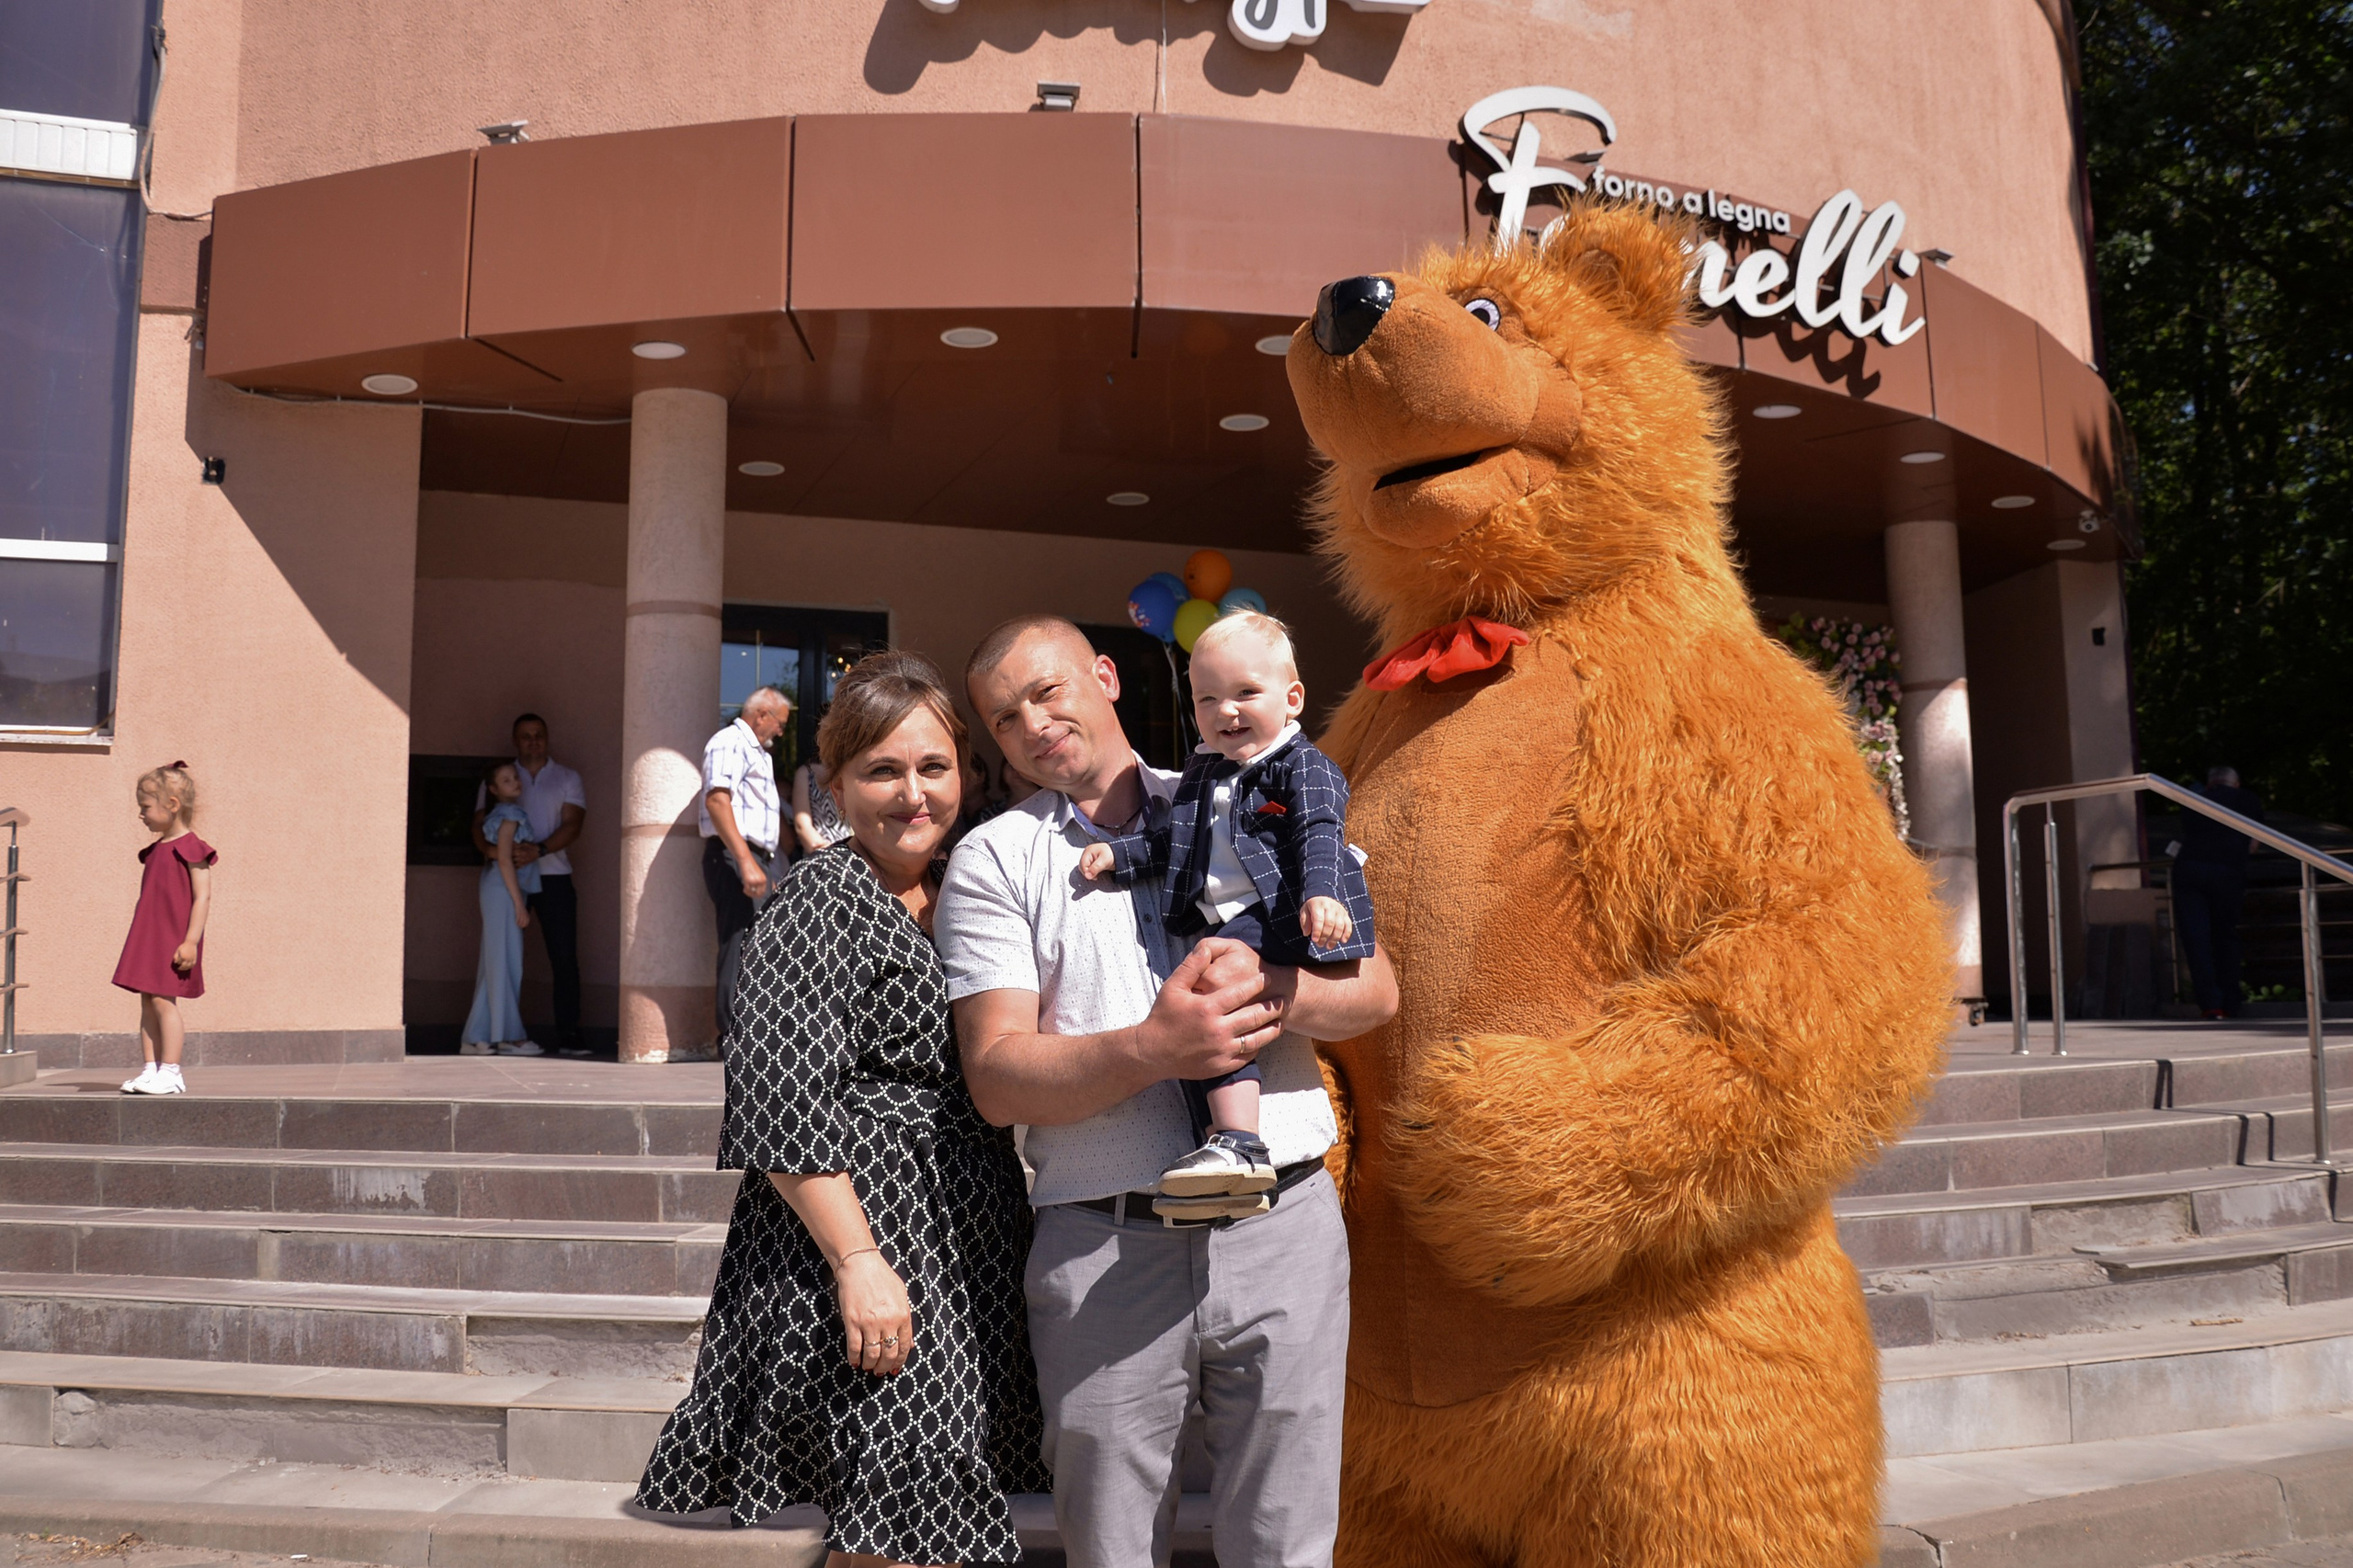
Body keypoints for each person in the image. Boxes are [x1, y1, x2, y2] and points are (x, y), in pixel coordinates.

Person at [938, 615, 1397, 1568]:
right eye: (1004, 716)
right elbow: (994, 1075)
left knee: (1287, 1542)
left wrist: (1273, 991)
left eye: (1048, 691)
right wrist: (1155, 1046)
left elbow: (1377, 990)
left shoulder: (1254, 781)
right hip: (1105, 1246)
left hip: (1284, 1224)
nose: (1031, 723)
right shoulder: (995, 858)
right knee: (1110, 1545)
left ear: (1104, 677)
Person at [637, 651, 1049, 1564]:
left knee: (939, 1491)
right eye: (882, 770)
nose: (913, 793)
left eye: (933, 766)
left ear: (967, 773)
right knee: (900, 1498)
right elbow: (780, 1096)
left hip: (969, 1229)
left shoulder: (973, 883)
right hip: (862, 1228)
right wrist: (858, 1262)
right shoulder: (817, 900)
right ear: (835, 784)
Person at [1078, 609, 1376, 1213]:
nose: (1226, 712)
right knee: (1196, 1027)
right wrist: (1120, 854)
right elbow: (1174, 845)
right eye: (1207, 699)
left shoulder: (1303, 766)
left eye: (1246, 693)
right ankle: (1227, 1158)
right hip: (1228, 919)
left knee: (1212, 996)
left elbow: (1318, 833)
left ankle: (1241, 1143)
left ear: (1292, 698)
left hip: (1282, 912)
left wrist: (1322, 894)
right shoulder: (1205, 770)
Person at [471, 713, 588, 1055]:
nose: (533, 740)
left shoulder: (567, 777)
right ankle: (501, 1033)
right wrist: (496, 853)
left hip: (554, 876)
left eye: (539, 734)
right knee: (502, 956)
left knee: (564, 956)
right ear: (515, 741)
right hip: (511, 880)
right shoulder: (500, 778)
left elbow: (574, 824)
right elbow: (478, 825)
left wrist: (537, 850)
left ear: (547, 738)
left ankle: (569, 1034)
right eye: (525, 736)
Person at [111, 763, 215, 1096]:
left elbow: (202, 897)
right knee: (147, 1000)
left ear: (171, 804)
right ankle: (150, 1069)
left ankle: (171, 1071)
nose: (141, 814)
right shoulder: (157, 850)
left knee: (163, 1001)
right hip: (149, 936)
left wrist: (191, 941)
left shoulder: (192, 848)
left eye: (145, 806)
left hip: (173, 938)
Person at [702, 687, 790, 1047]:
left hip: (761, 858)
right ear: (761, 715)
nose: (782, 732)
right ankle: (733, 1035)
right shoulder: (729, 742)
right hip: (738, 854)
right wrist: (745, 861)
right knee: (739, 941)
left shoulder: (758, 753)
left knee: (762, 944)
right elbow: (718, 800)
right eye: (780, 724)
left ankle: (755, 1029)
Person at [460, 762, 541, 1056]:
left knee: (497, 961)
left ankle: (477, 1036)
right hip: (504, 890)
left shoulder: (502, 814)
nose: (515, 782)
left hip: (499, 889)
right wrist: (519, 902)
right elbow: (505, 859)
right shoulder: (509, 814)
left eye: (515, 777)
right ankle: (508, 1035)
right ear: (494, 790)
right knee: (506, 961)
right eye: (506, 781)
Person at [2174, 764, 2264, 1019]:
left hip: (2189, 870)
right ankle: (2231, 1002)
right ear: (2235, 783)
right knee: (2226, 936)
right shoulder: (2247, 799)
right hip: (2228, 871)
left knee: (2196, 939)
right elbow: (2254, 844)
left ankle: (2211, 1005)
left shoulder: (2194, 798)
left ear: (2211, 782)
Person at [791, 756, 855, 858]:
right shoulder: (805, 773)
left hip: (853, 853)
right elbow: (802, 826)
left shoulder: (852, 770)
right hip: (820, 855)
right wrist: (829, 855)